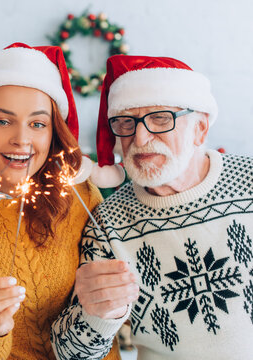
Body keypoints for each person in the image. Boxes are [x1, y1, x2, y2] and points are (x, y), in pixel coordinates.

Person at [0, 43, 121, 360]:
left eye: (38, 124)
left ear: (52, 133)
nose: (22, 139)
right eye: (2, 121)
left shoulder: (80, 194)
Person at [51, 55, 253, 359]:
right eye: (125, 122)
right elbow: (69, 354)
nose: (140, 137)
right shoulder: (108, 221)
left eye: (160, 118)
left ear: (200, 129)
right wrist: (98, 314)